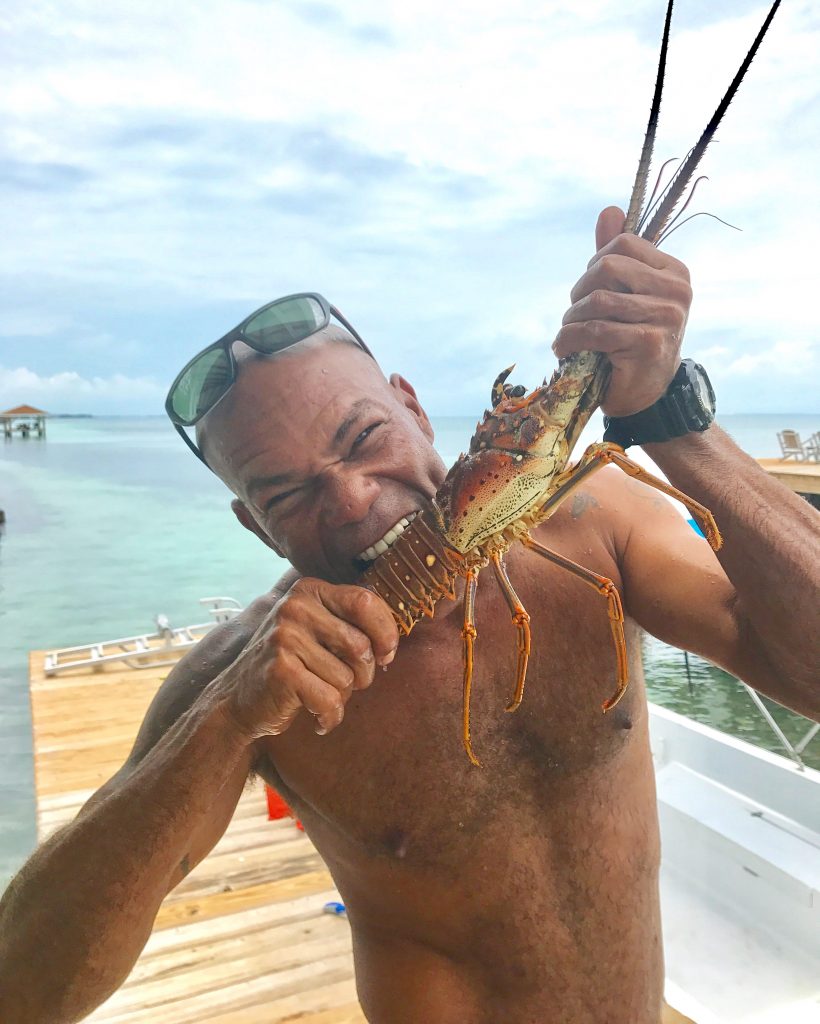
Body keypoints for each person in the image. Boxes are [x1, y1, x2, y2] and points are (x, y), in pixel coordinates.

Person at [1, 208, 817, 1024]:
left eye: (363, 438)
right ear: (254, 525)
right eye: (285, 493)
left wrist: (671, 420)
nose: (353, 500)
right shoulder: (246, 682)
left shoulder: (599, 522)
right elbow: (25, 992)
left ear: (415, 409)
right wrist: (221, 723)